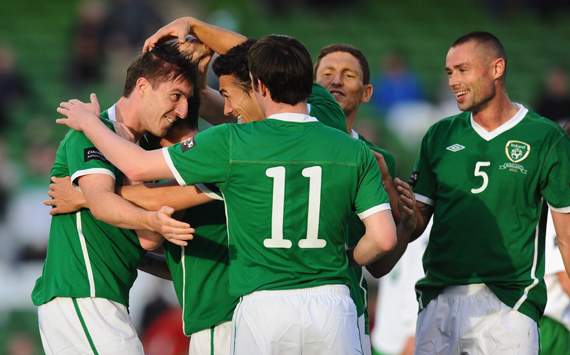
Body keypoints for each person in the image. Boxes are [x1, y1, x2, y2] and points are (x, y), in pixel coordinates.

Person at [56, 33, 405, 354]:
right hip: (333, 303)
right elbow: (385, 239)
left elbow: (138, 166)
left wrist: (88, 124)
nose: (224, 108)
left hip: (263, 304)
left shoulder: (235, 143)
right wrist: (345, 260)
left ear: (260, 86)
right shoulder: (351, 150)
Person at [404, 31, 570, 354]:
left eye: (462, 70)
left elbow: (566, 236)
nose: (453, 81)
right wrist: (397, 204)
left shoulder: (545, 137)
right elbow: (415, 224)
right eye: (449, 72)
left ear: (497, 69)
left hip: (509, 304)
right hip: (441, 297)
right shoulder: (439, 135)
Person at [32, 41, 196, 355]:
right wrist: (152, 217)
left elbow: (147, 242)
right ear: (143, 86)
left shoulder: (144, 152)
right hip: (81, 296)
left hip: (103, 301)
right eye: (175, 96)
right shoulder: (88, 132)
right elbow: (104, 204)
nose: (182, 110)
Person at [314, 43, 400, 354]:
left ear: (367, 92)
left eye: (347, 75)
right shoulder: (287, 140)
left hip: (345, 303)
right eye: (327, 73)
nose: (335, 81)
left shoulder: (380, 161)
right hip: (278, 301)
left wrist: (404, 224)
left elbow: (380, 266)